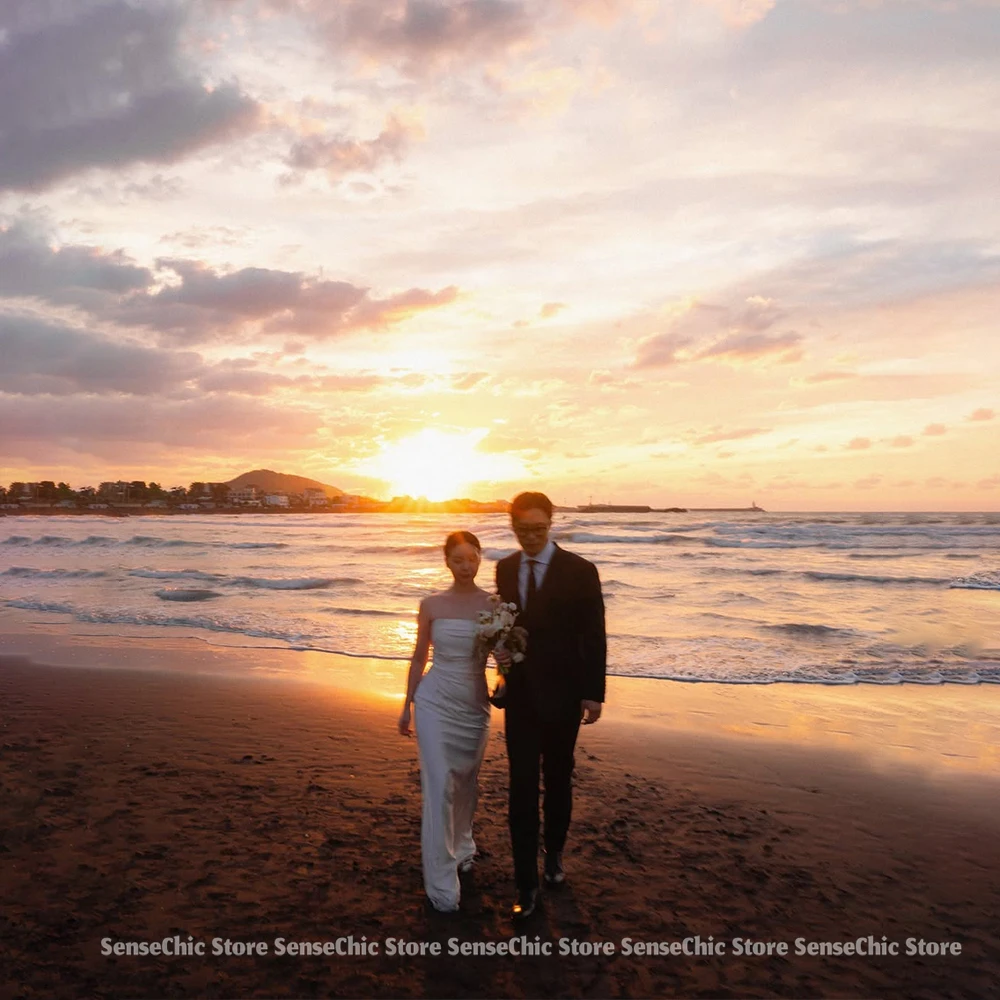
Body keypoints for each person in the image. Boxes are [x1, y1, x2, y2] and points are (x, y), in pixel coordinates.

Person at [493, 491, 607, 920]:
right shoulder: (504, 568)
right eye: (522, 530)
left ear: (551, 524)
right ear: (513, 527)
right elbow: (504, 627)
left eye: (538, 529)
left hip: (563, 696)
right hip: (520, 695)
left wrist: (593, 692)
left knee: (558, 779)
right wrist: (499, 659)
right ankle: (526, 882)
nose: (530, 538)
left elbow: (593, 634)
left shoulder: (580, 570)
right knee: (520, 786)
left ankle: (554, 854)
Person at [398, 531, 494, 913]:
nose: (466, 566)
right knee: (439, 787)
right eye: (458, 559)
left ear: (480, 558)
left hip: (474, 705)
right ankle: (441, 883)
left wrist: (506, 667)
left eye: (472, 558)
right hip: (434, 700)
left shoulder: (496, 605)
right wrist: (407, 705)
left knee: (466, 784)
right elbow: (419, 656)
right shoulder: (431, 604)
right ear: (447, 562)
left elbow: (503, 661)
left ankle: (463, 846)